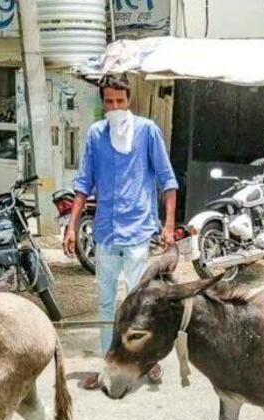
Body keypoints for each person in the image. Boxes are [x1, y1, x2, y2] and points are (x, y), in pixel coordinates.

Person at [64, 76, 179, 390]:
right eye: (109, 101)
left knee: (140, 304)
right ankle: (108, 366)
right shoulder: (96, 134)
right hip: (105, 234)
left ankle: (148, 362)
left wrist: (168, 225)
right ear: (104, 103)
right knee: (104, 303)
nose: (115, 107)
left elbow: (168, 181)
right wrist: (72, 227)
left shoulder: (147, 132)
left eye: (120, 101)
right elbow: (83, 183)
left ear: (129, 101)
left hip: (139, 232)